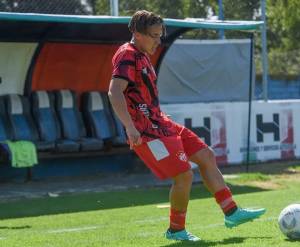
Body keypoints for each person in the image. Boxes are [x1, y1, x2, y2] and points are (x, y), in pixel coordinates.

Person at [108, 10, 266, 242]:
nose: (158, 40)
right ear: (137, 34)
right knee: (183, 175)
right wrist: (130, 127)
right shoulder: (127, 54)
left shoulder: (142, 54)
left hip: (160, 123)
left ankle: (231, 212)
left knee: (206, 155)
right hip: (146, 132)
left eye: (160, 35)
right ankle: (176, 230)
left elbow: (139, 94)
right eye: (153, 35)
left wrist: (156, 113)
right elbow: (114, 92)